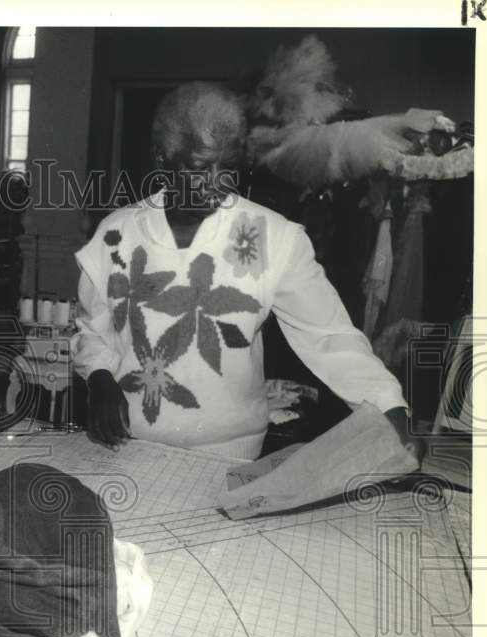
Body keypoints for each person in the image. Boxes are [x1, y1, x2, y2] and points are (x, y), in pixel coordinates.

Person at [74, 82, 420, 462]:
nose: (217, 185)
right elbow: (94, 329)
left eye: (229, 167)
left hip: (229, 454)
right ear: (163, 158)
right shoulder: (116, 235)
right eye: (201, 168)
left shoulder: (272, 238)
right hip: (129, 444)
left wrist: (391, 409)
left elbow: (330, 338)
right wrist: (100, 378)